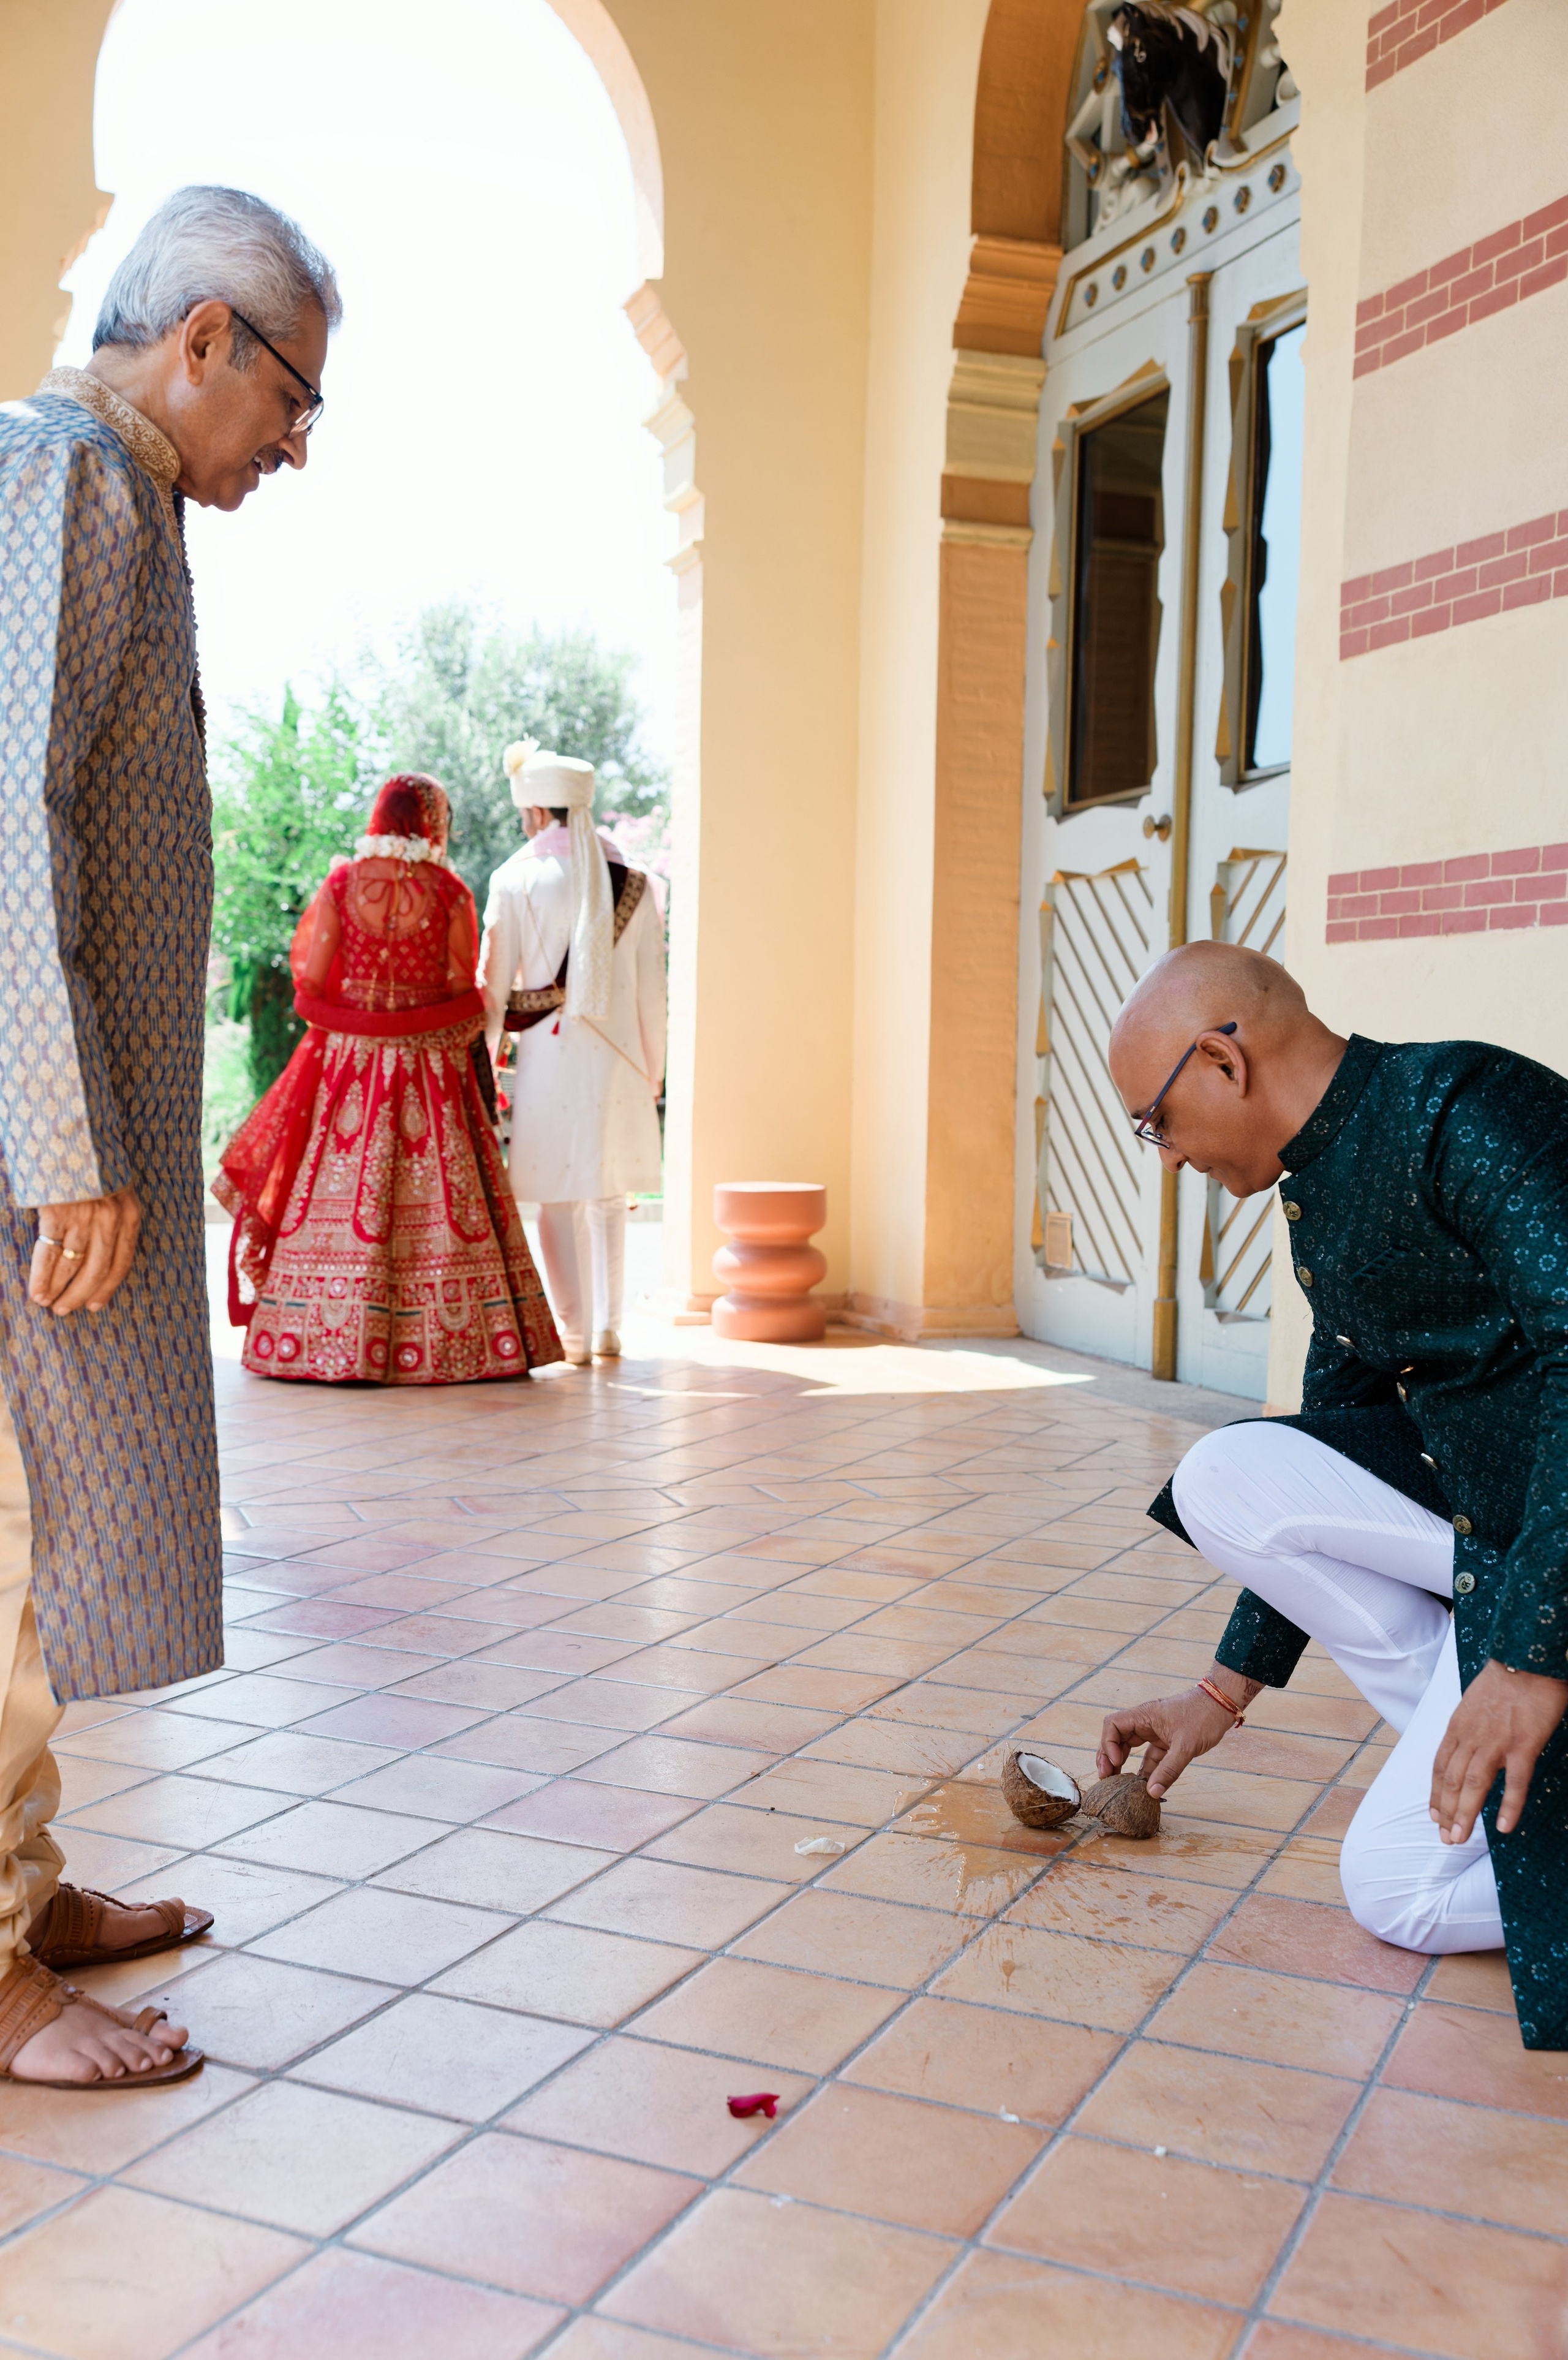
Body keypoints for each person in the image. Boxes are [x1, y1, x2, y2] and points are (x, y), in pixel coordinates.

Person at [0, 186, 341, 2087]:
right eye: (290, 396)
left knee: (41, 1533)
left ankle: (26, 1888)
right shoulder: (56, 475)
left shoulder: (118, 494)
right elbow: (0, 820)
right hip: (17, 1141)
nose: (295, 441)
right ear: (200, 339)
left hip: (50, 1129)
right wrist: (58, 1137)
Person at [1098, 939, 1568, 2049]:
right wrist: (1220, 1696)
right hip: (1489, 1552)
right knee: (1232, 1473)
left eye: (1154, 1121)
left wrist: (1535, 1653)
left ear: (1223, 1058)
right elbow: (1335, 1443)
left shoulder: (1463, 1105)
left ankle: (1522, 1710)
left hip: (1542, 1566)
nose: (1163, 1159)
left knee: (1395, 1889)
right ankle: (1514, 1745)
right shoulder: (1324, 1194)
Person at [215, 774, 562, 1385]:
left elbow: (311, 987)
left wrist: (362, 1023)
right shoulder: (450, 892)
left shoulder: (342, 885)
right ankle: (463, 1343)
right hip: (430, 1071)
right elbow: (462, 994)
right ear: (432, 823)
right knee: (444, 1195)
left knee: (341, 1189)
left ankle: (319, 1339)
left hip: (349, 1068)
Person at [481, 743, 666, 1364]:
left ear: (534, 811)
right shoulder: (638, 886)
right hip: (619, 1061)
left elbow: (494, 989)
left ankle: (576, 1334)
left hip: (545, 1057)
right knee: (609, 1193)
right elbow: (651, 995)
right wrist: (653, 1072)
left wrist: (484, 1063)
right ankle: (611, 1327)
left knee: (557, 1192)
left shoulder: (513, 879)